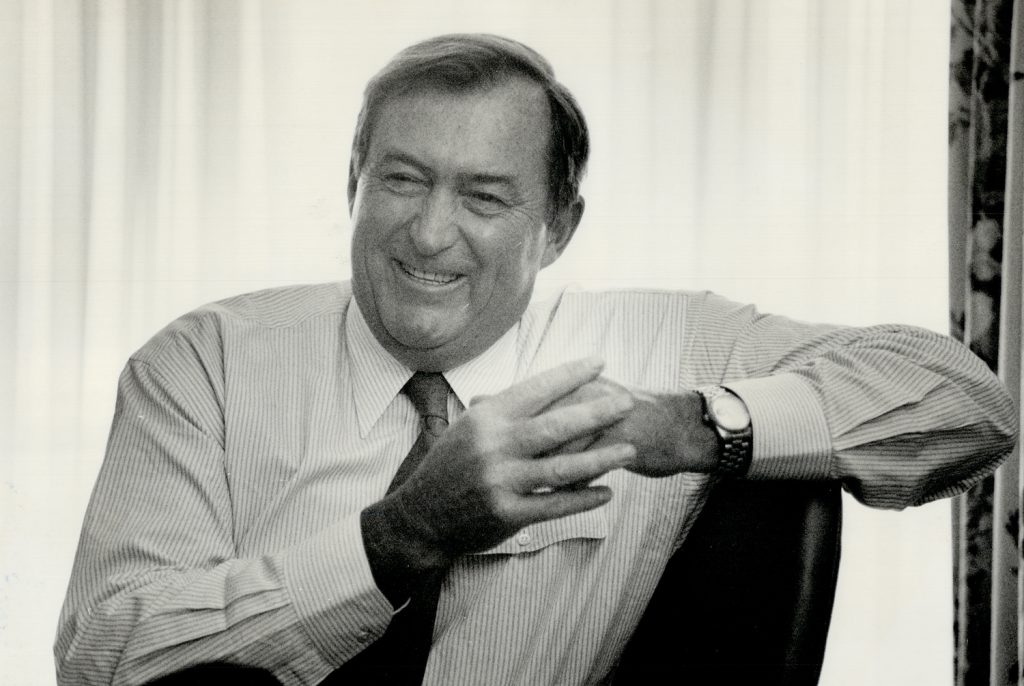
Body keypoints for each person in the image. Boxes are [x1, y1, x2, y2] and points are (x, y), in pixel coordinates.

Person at [55, 33, 1018, 685]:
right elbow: (101, 656)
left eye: (483, 198)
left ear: (558, 228)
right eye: (401, 180)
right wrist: (397, 541)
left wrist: (686, 426)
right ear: (352, 181)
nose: (430, 234)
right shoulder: (203, 363)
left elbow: (968, 403)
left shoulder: (658, 338)